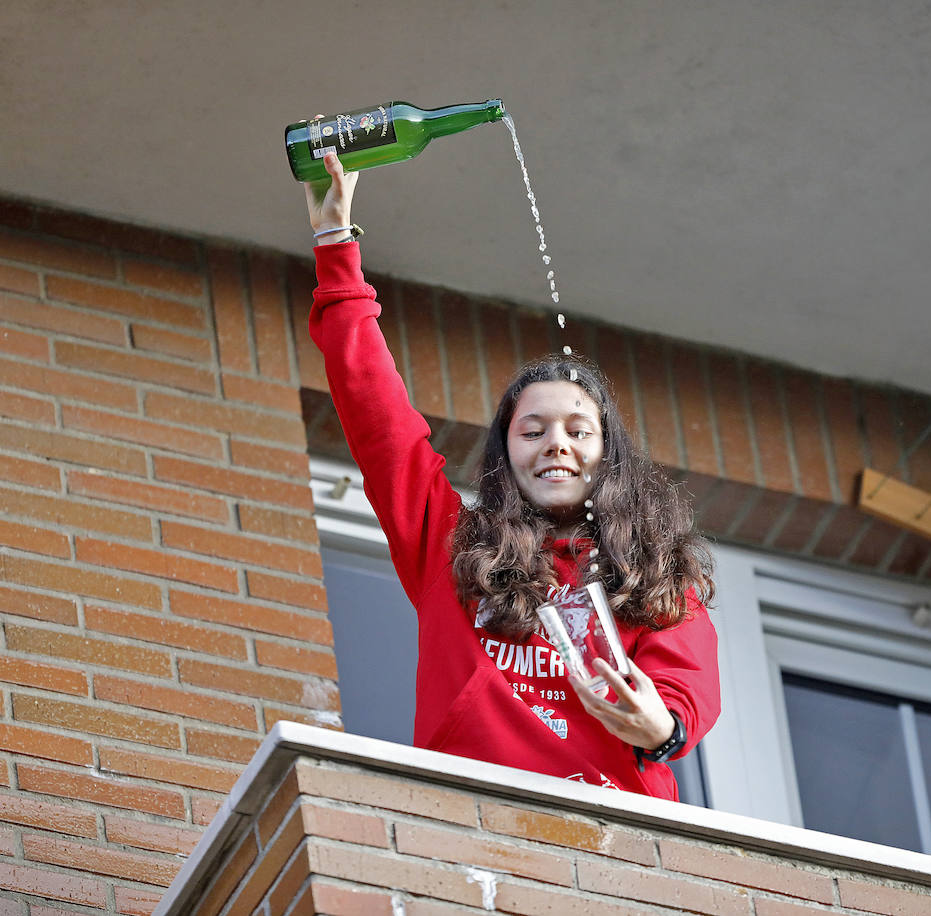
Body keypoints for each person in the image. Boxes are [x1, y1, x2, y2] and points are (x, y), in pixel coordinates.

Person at [304, 152, 720, 800]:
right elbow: (377, 418)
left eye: (578, 431)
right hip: (469, 825)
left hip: (615, 849)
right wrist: (336, 247)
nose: (556, 444)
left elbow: (681, 699)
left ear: (609, 456)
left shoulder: (652, 569)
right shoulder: (451, 545)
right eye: (532, 430)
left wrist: (661, 729)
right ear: (506, 454)